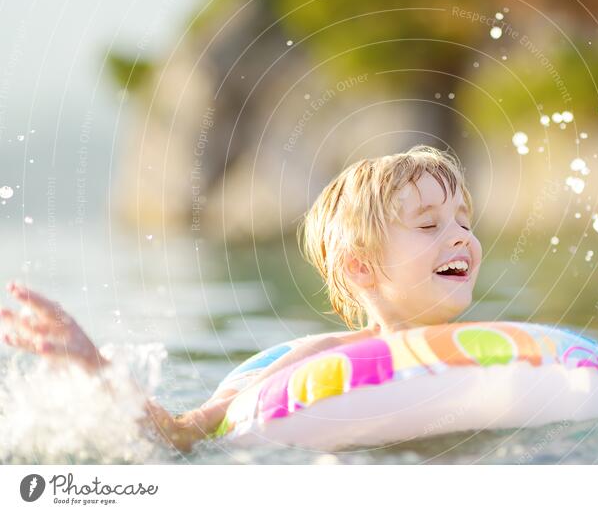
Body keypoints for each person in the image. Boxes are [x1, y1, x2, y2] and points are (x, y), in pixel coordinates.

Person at [0, 145, 482, 452]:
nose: (460, 237)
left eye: (464, 221)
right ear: (360, 266)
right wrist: (96, 368)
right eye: (427, 224)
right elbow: (183, 432)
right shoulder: (326, 358)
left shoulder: (498, 353)